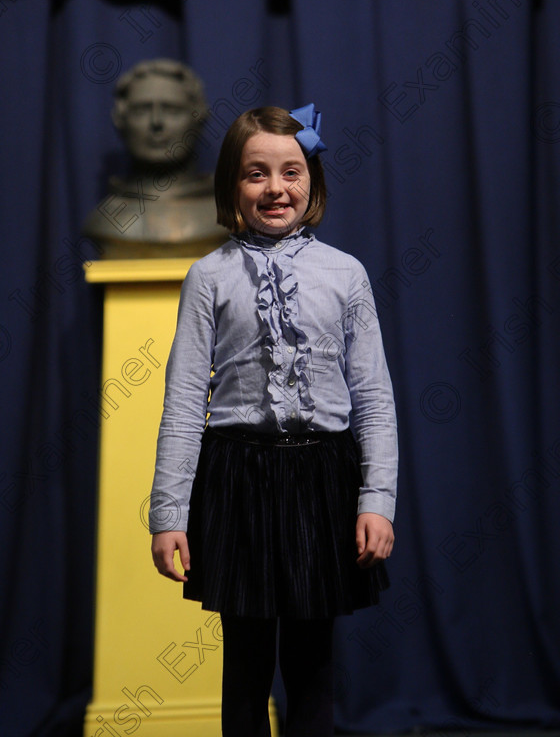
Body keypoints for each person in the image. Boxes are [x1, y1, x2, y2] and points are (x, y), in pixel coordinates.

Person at [149, 104, 398, 737]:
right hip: (238, 479)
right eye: (256, 173)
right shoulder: (208, 278)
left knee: (312, 667)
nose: (275, 188)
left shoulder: (347, 275)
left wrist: (377, 499)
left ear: (312, 180)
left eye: (291, 172)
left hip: (322, 480)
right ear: (232, 184)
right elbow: (182, 404)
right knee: (246, 669)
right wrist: (168, 515)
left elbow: (372, 397)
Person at [82, 58, 226, 257]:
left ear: (199, 118)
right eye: (141, 111)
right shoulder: (105, 219)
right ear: (120, 120)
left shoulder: (224, 217)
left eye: (172, 110)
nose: (156, 122)